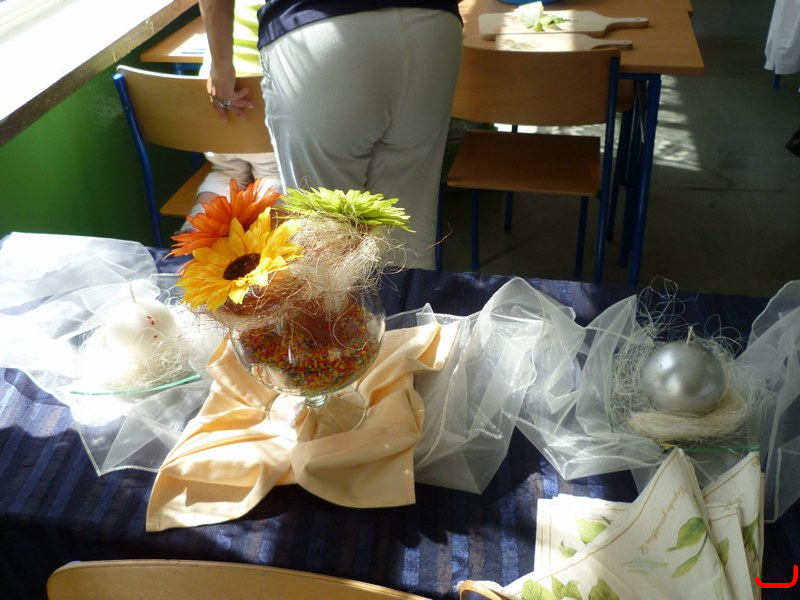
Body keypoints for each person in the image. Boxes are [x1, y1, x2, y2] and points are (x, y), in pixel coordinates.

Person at [199, 0, 463, 270]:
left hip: (320, 30)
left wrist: (220, 65)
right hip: (433, 27)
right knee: (407, 232)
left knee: (327, 246)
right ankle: (409, 296)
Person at [187, 0, 282, 223]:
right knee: (273, 173)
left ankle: (196, 231)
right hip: (262, 111)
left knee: (225, 172)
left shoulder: (220, 11)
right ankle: (263, 232)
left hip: (218, 106)